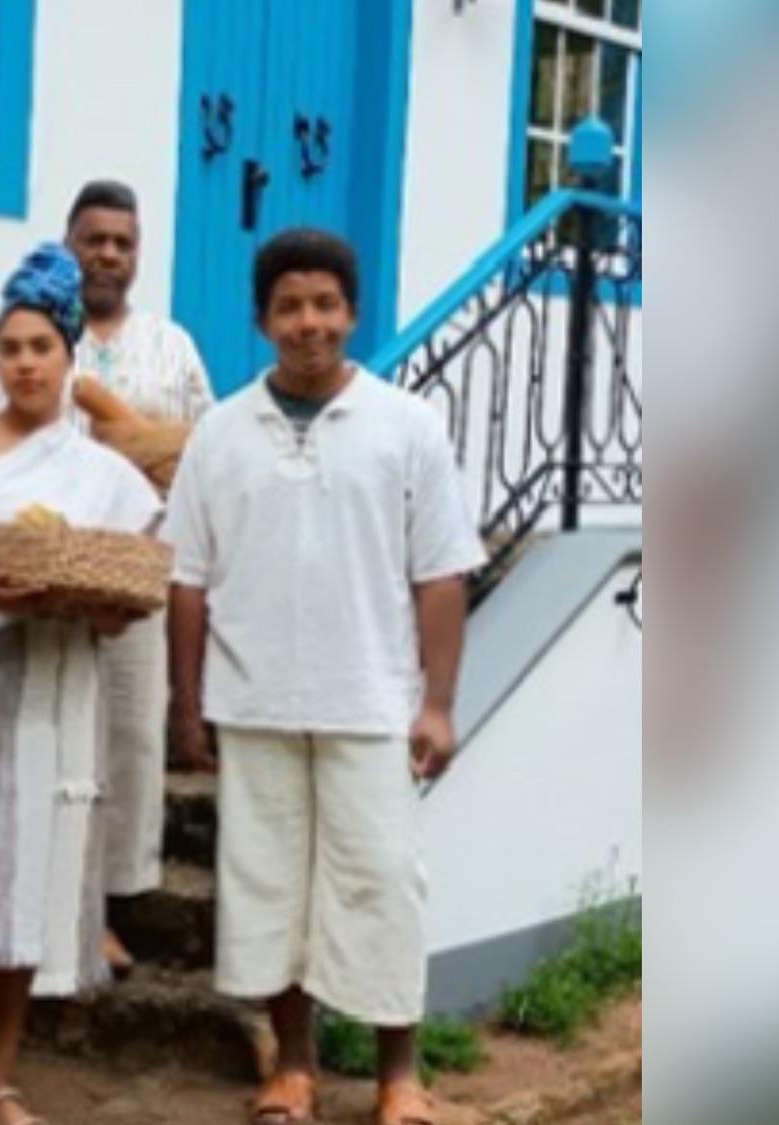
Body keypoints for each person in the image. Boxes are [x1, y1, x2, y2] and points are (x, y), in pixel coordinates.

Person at [163, 230, 486, 1125]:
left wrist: (438, 704)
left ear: (352, 312)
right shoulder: (220, 433)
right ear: (261, 319)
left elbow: (442, 572)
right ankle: (293, 1068)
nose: (308, 322)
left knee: (382, 879)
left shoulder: (406, 425)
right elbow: (186, 580)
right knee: (268, 887)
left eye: (325, 304)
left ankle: (399, 1076)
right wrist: (186, 706)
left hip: (372, 700)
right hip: (253, 700)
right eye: (289, 306)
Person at [0, 244, 164, 1125]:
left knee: (35, 892)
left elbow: (126, 600)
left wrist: (97, 602)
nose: (24, 363)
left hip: (60, 686)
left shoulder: (101, 470)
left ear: (68, 356)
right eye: (10, 347)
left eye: (40, 347)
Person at [0, 180, 215, 973]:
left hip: (131, 570)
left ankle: (103, 904)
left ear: (138, 255)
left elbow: (207, 452)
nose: (107, 253)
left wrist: (148, 449)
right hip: (28, 572)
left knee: (126, 735)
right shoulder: (19, 337)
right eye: (93, 239)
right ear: (68, 244)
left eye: (122, 243)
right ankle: (30, 894)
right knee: (41, 735)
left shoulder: (171, 345)